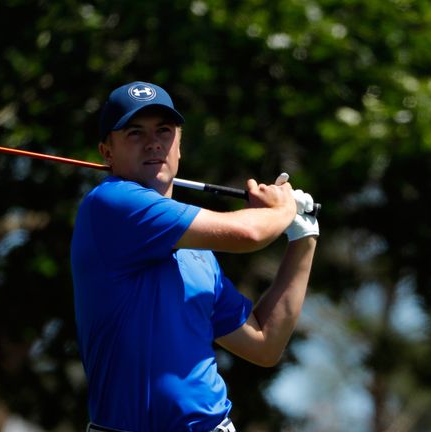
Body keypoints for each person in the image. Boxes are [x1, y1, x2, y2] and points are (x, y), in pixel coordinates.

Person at [70, 81, 319, 432]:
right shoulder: (111, 203)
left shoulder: (198, 255)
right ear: (106, 152)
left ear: (179, 145)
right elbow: (250, 234)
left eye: (164, 131)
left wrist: (302, 236)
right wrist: (283, 208)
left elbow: (264, 344)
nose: (153, 142)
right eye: (134, 133)